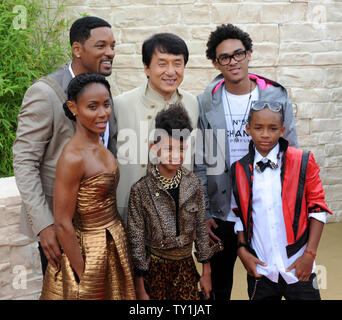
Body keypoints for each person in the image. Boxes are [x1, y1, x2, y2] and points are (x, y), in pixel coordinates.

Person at [194, 23, 298, 300]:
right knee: (216, 288)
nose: (233, 61)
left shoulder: (275, 96)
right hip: (221, 213)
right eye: (225, 57)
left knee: (262, 285)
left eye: (238, 54)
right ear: (216, 63)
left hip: (263, 211)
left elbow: (292, 156)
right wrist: (204, 212)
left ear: (249, 54)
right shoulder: (206, 103)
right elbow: (201, 164)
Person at [13, 16, 117, 276]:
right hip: (60, 228)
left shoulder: (102, 89)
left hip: (98, 226)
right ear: (77, 49)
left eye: (113, 46)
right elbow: (24, 161)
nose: (110, 53)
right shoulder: (45, 92)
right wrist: (44, 225)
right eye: (101, 46)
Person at [40, 73, 135, 300]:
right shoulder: (73, 157)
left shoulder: (99, 143)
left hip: (112, 244)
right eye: (92, 107)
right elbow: (63, 224)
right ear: (73, 108)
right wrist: (84, 273)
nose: (103, 113)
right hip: (88, 252)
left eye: (106, 104)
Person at [231, 102, 332, 300]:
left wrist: (309, 255)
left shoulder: (303, 160)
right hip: (262, 269)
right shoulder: (238, 169)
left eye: (273, 128)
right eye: (258, 128)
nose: (265, 134)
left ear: (283, 130)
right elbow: (239, 215)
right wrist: (242, 251)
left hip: (299, 265)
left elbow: (318, 209)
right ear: (248, 129)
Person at [127, 103, 214, 300]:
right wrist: (140, 287)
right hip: (154, 273)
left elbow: (201, 229)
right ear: (154, 148)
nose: (176, 155)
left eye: (181, 149)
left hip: (186, 270)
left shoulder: (193, 185)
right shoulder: (140, 191)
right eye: (169, 148)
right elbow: (136, 240)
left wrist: (206, 273)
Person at [114, 33, 199, 224]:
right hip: (130, 215)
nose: (171, 71)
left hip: (179, 218)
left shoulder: (193, 104)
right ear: (146, 67)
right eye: (162, 64)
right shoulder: (121, 105)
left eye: (177, 63)